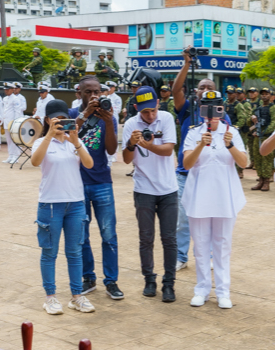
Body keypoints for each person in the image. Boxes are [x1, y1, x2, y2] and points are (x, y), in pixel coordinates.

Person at [181, 90, 247, 308]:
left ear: (222, 110)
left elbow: (244, 163)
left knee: (222, 245)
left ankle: (223, 291)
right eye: (206, 108)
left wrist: (230, 145)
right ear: (201, 110)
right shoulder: (194, 132)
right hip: (199, 196)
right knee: (200, 245)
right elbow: (187, 164)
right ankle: (202, 289)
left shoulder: (232, 133)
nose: (211, 115)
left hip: (224, 196)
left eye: (216, 108)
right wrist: (201, 144)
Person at [31, 99, 95, 315]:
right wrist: (49, 135)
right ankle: (50, 297)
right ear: (48, 120)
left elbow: (89, 164)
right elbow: (35, 162)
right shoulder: (41, 143)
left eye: (63, 118)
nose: (60, 123)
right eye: (55, 119)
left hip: (76, 203)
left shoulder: (73, 143)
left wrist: (76, 141)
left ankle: (77, 296)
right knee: (49, 252)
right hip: (50, 204)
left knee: (75, 252)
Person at [122, 86, 179, 302]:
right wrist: (131, 144)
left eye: (153, 110)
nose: (150, 115)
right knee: (146, 238)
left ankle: (169, 284)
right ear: (137, 108)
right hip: (143, 189)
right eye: (145, 112)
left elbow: (168, 150)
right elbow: (127, 159)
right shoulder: (130, 124)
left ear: (158, 104)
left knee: (169, 239)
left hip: (168, 189)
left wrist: (147, 144)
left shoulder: (165, 118)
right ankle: (149, 280)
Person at [70, 75, 122, 300]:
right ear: (78, 94)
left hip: (102, 182)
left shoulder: (108, 116)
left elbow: (111, 151)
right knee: (81, 235)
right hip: (77, 183)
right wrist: (85, 114)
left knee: (109, 234)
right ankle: (88, 277)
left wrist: (108, 121)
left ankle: (111, 281)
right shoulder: (73, 115)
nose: (94, 96)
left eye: (97, 92)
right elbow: (67, 137)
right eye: (88, 92)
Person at [172, 53, 218, 269]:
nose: (205, 90)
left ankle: (207, 256)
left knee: (207, 218)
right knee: (182, 219)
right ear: (196, 91)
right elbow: (175, 91)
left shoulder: (221, 114)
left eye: (210, 87)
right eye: (201, 87)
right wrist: (186, 64)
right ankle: (181, 257)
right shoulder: (187, 108)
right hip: (184, 173)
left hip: (208, 173)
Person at [250, 87, 275, 191]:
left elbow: (274, 123)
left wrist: (263, 132)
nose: (264, 96)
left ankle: (266, 181)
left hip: (267, 137)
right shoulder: (258, 109)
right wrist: (252, 120)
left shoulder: (274, 108)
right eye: (262, 94)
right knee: (257, 158)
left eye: (266, 94)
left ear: (271, 96)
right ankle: (261, 179)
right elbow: (250, 122)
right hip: (258, 136)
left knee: (266, 159)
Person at [0, 82, 22, 164]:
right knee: (9, 140)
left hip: (12, 122)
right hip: (6, 122)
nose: (6, 91)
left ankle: (15, 157)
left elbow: (17, 112)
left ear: (13, 89)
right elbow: (4, 110)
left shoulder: (16, 99)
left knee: (14, 140)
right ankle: (10, 155)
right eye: (5, 89)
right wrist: (2, 120)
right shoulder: (5, 99)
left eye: (8, 89)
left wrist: (15, 122)